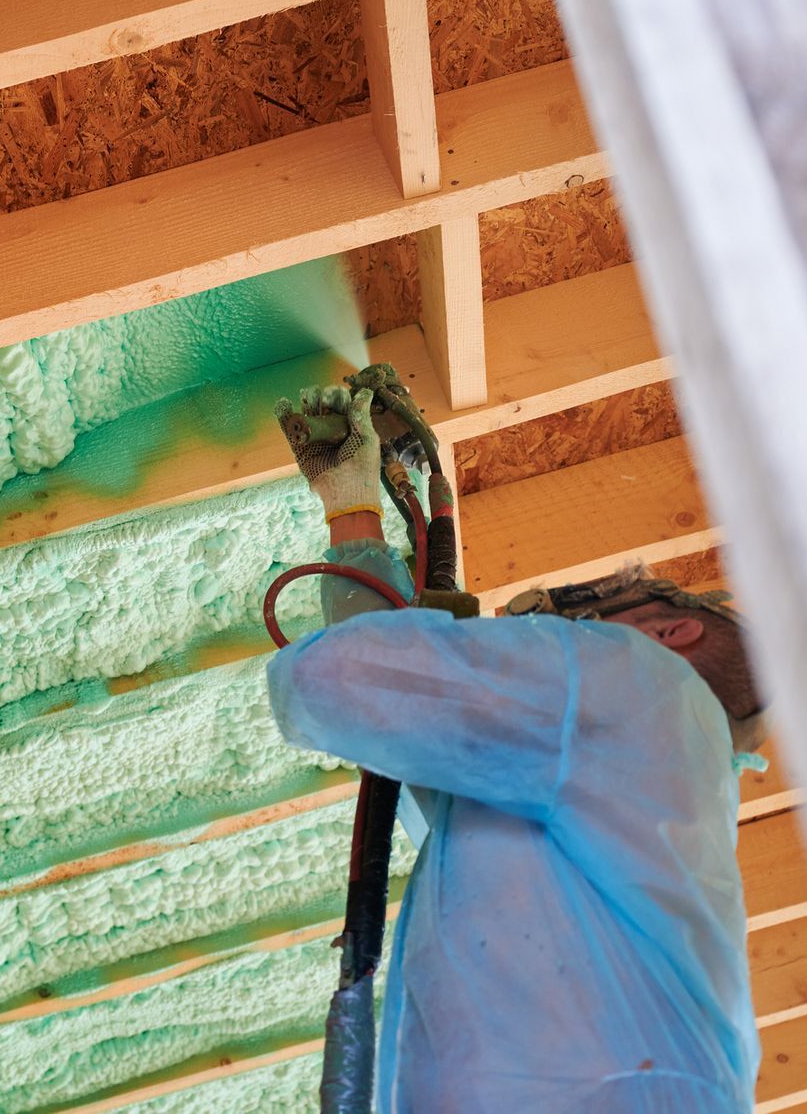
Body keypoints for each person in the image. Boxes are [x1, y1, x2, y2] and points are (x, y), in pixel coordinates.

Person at [268, 385, 768, 1113]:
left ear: (670, 633)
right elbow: (407, 721)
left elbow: (342, 679)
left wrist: (357, 513)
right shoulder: (645, 795)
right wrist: (352, 508)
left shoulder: (645, 681)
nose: (577, 630)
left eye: (611, 613)